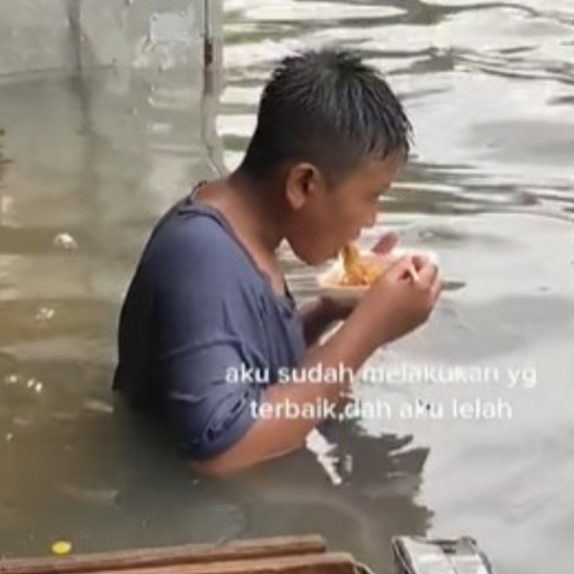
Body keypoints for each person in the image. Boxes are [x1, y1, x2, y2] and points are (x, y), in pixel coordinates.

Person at [113, 48, 443, 477]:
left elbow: (255, 361)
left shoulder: (245, 235)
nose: (372, 218)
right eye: (371, 197)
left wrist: (331, 311)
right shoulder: (200, 255)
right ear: (303, 184)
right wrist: (369, 330)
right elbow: (221, 450)